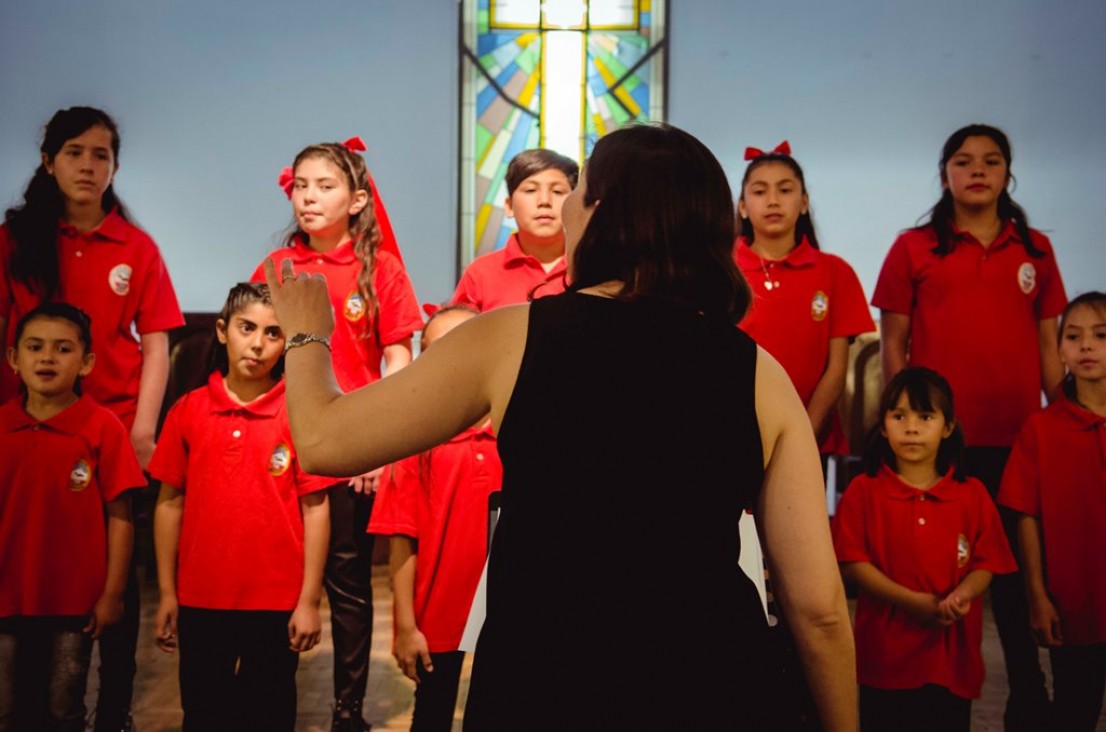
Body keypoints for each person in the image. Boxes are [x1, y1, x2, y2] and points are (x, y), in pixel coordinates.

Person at [264, 122, 857, 731]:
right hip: (707, 682)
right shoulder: (760, 374)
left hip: (547, 677)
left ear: (602, 212)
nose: (566, 202)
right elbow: (818, 611)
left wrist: (308, 334)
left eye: (581, 187)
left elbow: (324, 440)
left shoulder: (511, 336)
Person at [871, 123, 1067, 730]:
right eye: (963, 161)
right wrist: (908, 423)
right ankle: (924, 691)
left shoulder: (1035, 250)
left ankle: (1027, 690)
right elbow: (893, 345)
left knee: (1009, 573)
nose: (976, 170)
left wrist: (1064, 421)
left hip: (1017, 437)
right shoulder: (913, 249)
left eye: (990, 160)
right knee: (934, 568)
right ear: (945, 173)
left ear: (1008, 172)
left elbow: (1048, 345)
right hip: (941, 441)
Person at [0, 106, 184, 732]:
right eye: (75, 152)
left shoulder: (136, 248)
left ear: (114, 168)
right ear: (49, 161)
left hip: (110, 430)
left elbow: (157, 340)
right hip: (26, 432)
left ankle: (115, 711)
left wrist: (143, 429)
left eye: (101, 155)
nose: (88, 165)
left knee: (116, 576)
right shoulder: (15, 242)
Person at [250, 137, 422, 731]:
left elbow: (398, 353)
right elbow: (256, 354)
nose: (309, 197)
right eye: (301, 186)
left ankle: (348, 708)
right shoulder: (275, 269)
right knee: (279, 571)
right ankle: (270, 699)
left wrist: (380, 437)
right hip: (284, 444)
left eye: (325, 186)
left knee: (347, 580)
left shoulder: (381, 269)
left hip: (350, 443)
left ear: (356, 198)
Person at [148, 282, 331, 732]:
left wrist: (308, 600)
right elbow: (169, 505)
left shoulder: (298, 413)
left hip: (275, 603)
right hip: (201, 600)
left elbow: (316, 508)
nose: (258, 343)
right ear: (223, 330)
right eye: (247, 328)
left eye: (273, 333)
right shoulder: (187, 411)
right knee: (204, 714)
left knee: (267, 715)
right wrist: (169, 593)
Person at [832, 366, 1016, 731]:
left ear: (947, 427)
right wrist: (912, 601)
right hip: (884, 660)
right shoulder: (863, 493)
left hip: (951, 660)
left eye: (925, 416)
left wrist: (962, 595)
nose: (912, 427)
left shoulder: (972, 495)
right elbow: (853, 563)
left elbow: (987, 562)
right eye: (899, 415)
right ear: (883, 426)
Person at [0, 303, 141, 732]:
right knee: (6, 713)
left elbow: (121, 516)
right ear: (13, 359)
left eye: (62, 349)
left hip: (73, 604)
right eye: (35, 347)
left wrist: (112, 594)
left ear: (86, 363)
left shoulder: (101, 428)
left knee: (65, 712)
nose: (47, 358)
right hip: (5, 598)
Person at [367, 303, 500, 731]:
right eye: (436, 348)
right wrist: (405, 627)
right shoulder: (415, 441)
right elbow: (401, 541)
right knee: (432, 713)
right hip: (438, 615)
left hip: (507, 608)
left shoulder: (516, 432)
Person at [998, 291, 1106, 731]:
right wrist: (1037, 596)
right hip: (1074, 609)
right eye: (1074, 336)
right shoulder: (1039, 430)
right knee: (1073, 712)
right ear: (1058, 348)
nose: (1086, 346)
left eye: (1100, 335)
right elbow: (1025, 516)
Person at [734, 140, 875, 457]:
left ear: (804, 202)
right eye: (759, 192)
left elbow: (836, 368)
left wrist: (802, 435)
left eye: (785, 190)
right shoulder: (720, 267)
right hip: (733, 434)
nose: (773, 201)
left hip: (812, 438)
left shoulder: (835, 272)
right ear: (742, 206)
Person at [450, 148, 578, 311]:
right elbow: (460, 333)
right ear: (509, 206)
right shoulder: (480, 274)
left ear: (575, 204)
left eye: (557, 191)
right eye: (531, 190)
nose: (544, 201)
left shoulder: (593, 268)